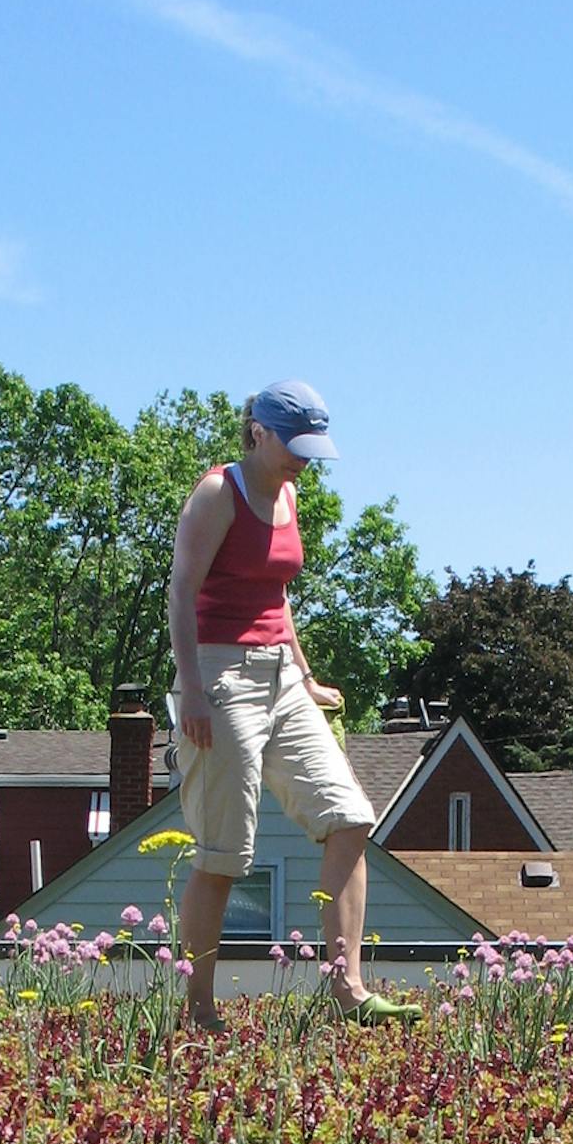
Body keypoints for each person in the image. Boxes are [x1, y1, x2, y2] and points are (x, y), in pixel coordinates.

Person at [167, 379, 419, 1032]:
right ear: (260, 431)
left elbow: (277, 595)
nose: (303, 460)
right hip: (218, 677)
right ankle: (198, 1011)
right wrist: (191, 687)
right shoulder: (219, 492)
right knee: (225, 852)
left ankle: (349, 990)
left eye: (313, 448)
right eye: (294, 446)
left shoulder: (290, 494)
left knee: (350, 816)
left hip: (281, 676)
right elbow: (182, 590)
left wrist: (303, 675)